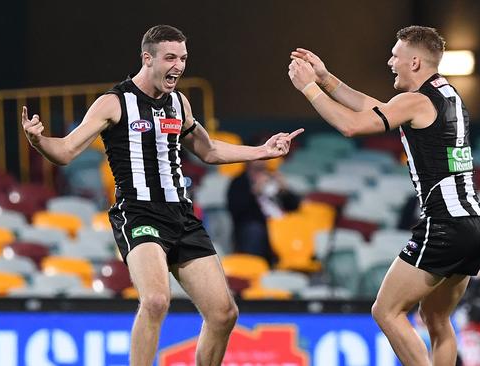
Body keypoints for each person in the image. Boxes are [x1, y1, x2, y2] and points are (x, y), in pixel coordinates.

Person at [22, 24, 303, 366]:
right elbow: (65, 151)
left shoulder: (178, 103)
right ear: (147, 59)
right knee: (155, 300)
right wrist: (39, 141)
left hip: (182, 216)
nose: (179, 66)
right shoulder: (113, 102)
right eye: (171, 57)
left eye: (183, 58)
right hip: (138, 213)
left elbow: (209, 150)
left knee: (224, 313)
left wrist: (262, 151)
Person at [289, 25, 480, 366]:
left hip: (445, 224)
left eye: (396, 56)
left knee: (386, 311)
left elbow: (352, 125)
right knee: (436, 319)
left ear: (414, 62)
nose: (390, 62)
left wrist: (309, 88)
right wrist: (326, 79)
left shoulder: (415, 100)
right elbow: (377, 109)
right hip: (476, 226)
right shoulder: (445, 94)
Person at [226, 158, 300, 264]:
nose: (262, 161)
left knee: (299, 226)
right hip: (257, 225)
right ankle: (256, 266)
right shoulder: (239, 182)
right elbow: (237, 209)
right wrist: (255, 191)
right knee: (255, 231)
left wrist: (285, 190)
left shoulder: (272, 177)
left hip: (282, 224)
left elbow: (295, 206)